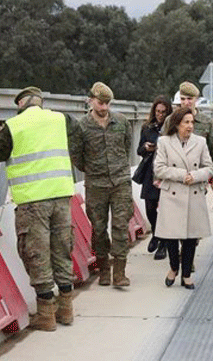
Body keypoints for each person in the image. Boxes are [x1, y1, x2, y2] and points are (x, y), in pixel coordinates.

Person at [0, 86, 78, 331]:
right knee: (62, 250)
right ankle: (66, 309)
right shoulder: (62, 119)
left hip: (33, 200)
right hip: (61, 195)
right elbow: (78, 136)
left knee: (36, 254)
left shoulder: (14, 125)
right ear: (40, 102)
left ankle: (46, 315)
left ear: (22, 103)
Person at [69, 82, 133, 288]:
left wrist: (117, 167)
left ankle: (120, 272)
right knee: (98, 228)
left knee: (121, 226)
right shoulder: (81, 126)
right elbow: (76, 156)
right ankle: (104, 268)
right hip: (96, 183)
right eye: (100, 103)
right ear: (91, 100)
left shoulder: (121, 122)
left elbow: (127, 146)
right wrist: (93, 169)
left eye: (107, 103)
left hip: (120, 181)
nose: (104, 107)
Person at [153, 107, 213, 289]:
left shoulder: (200, 142)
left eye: (192, 122)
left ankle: (186, 274)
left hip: (193, 193)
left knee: (190, 238)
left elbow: (209, 167)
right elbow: (159, 168)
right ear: (177, 124)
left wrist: (195, 176)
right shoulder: (164, 142)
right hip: (172, 193)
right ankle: (174, 267)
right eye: (186, 122)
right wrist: (182, 175)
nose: (190, 126)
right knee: (171, 236)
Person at [138, 96, 172, 261]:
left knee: (166, 209)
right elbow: (139, 149)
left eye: (163, 112)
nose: (160, 115)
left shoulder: (171, 128)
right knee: (150, 207)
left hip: (166, 171)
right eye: (157, 112)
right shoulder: (146, 127)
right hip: (150, 171)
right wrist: (146, 147)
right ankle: (156, 233)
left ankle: (163, 244)